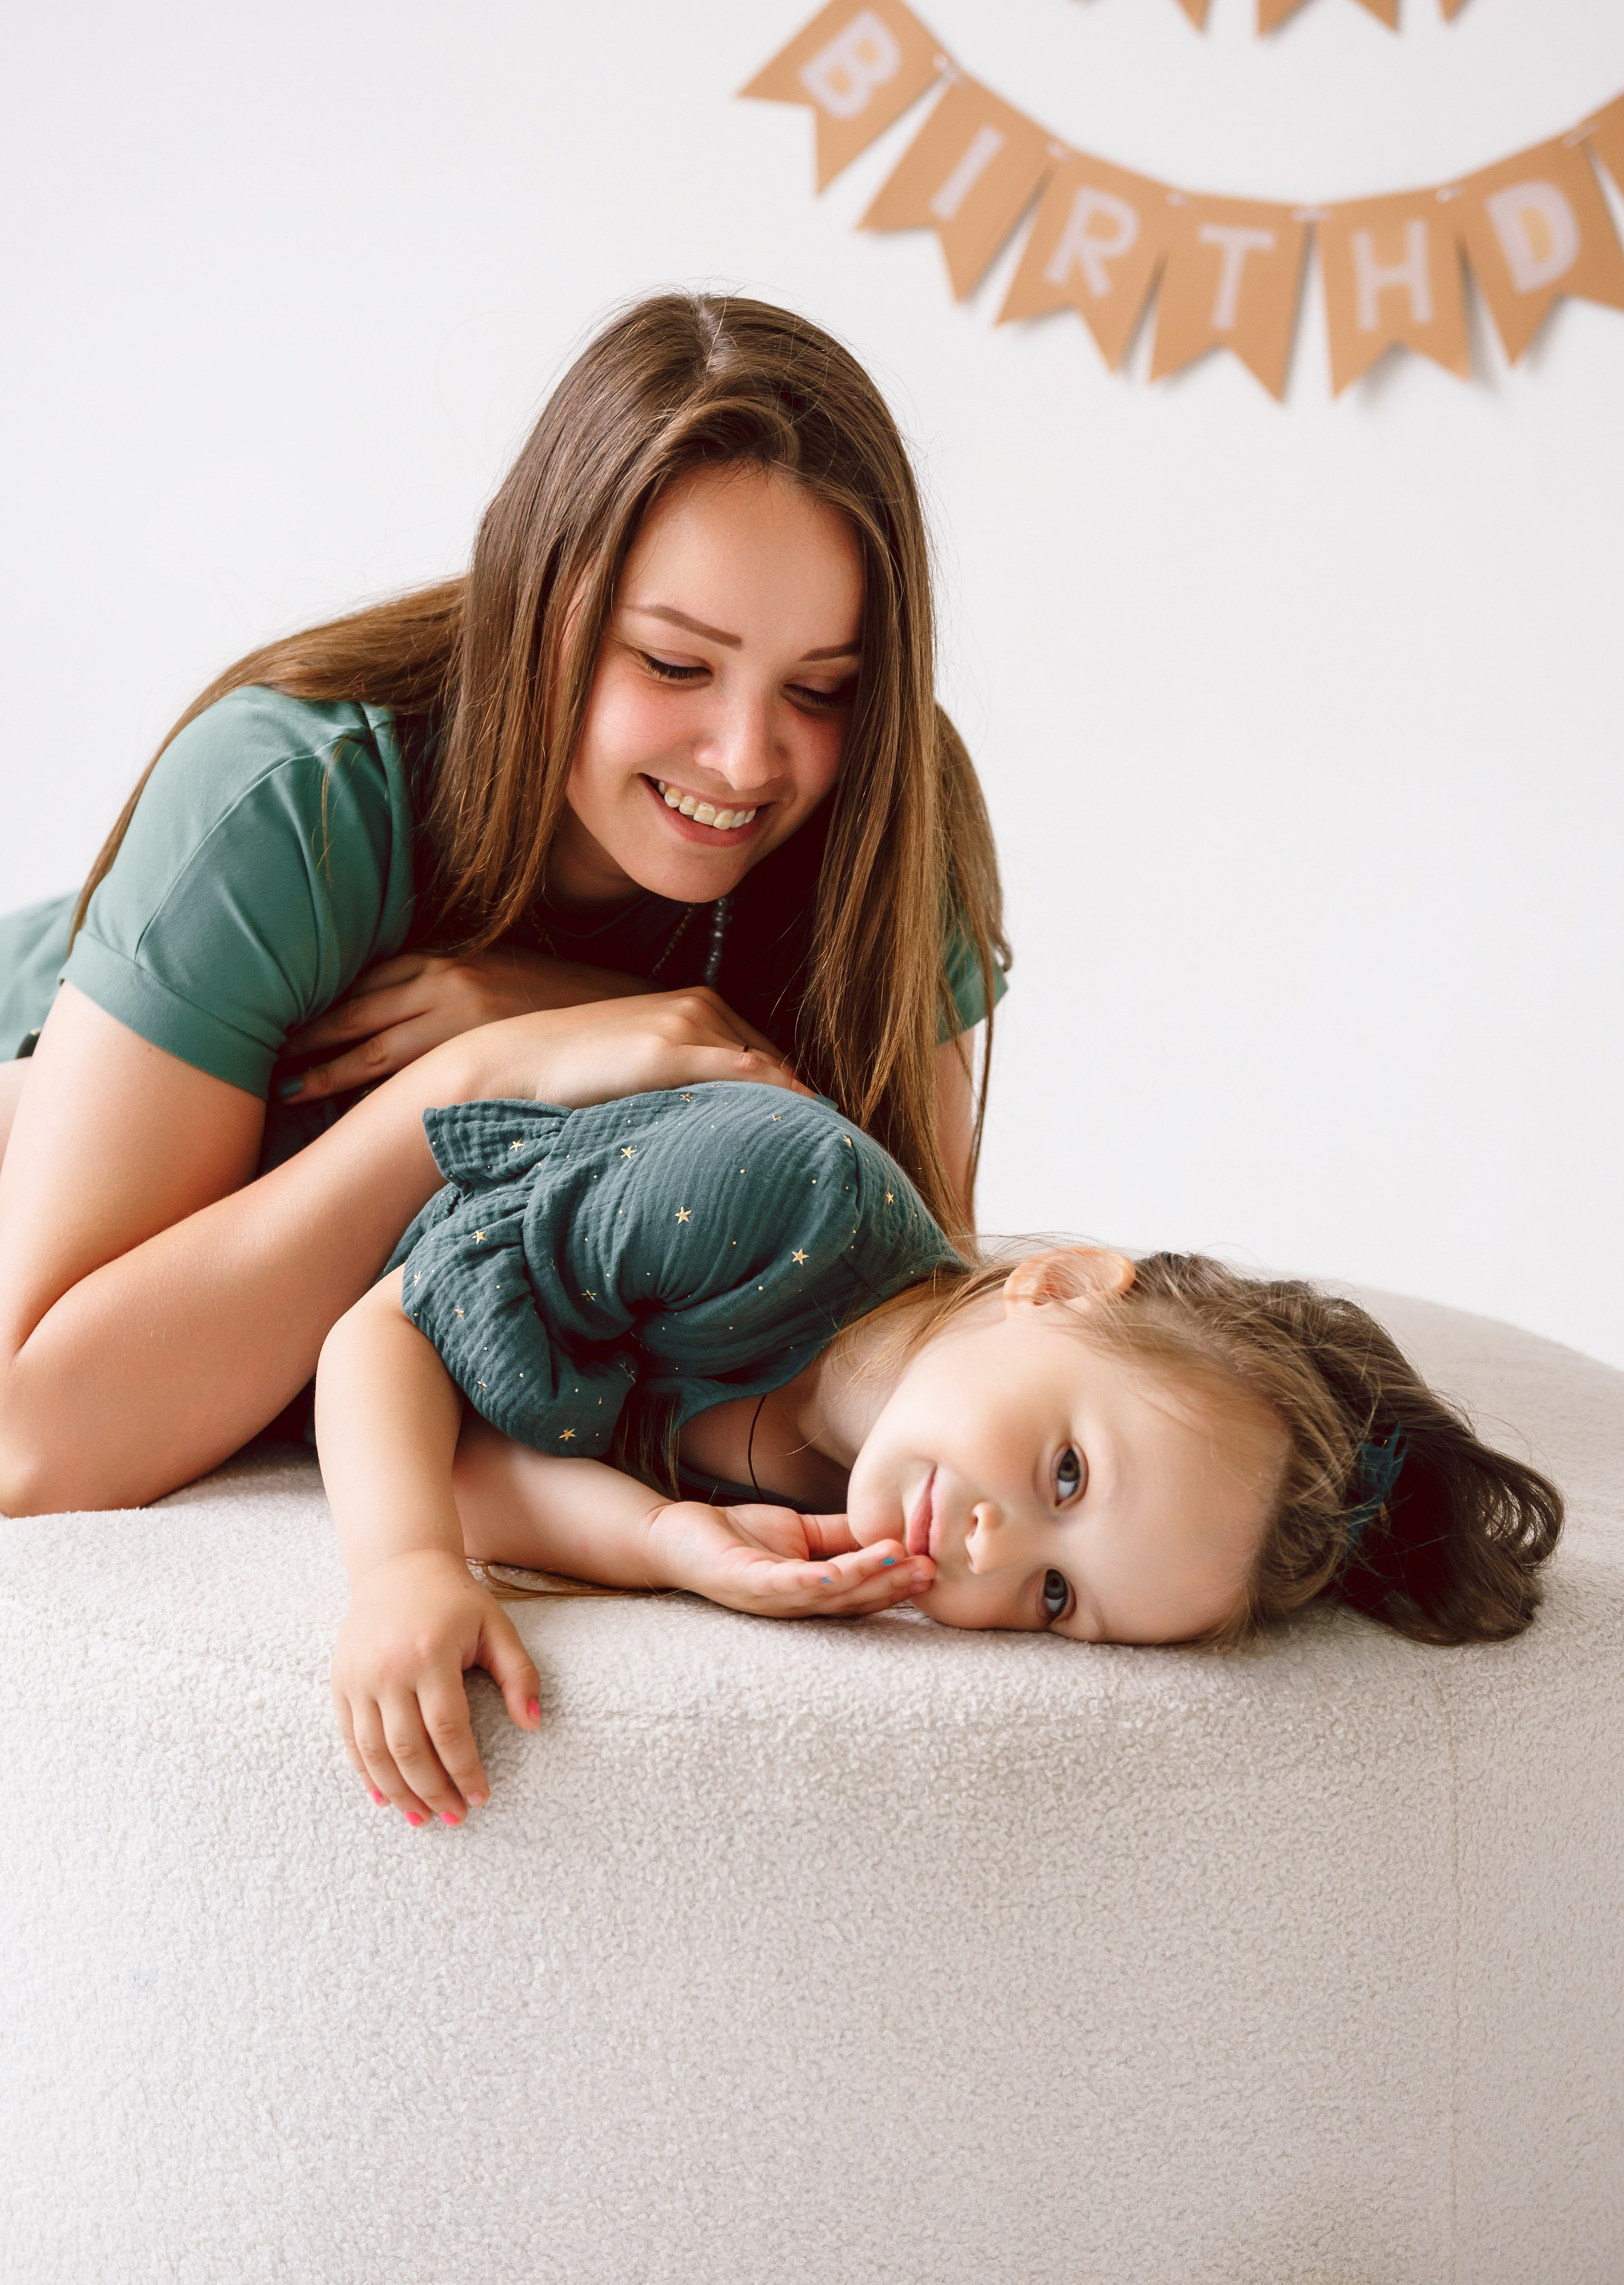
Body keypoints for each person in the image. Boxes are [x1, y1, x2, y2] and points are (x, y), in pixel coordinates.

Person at [0, 294, 1006, 1517]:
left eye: (822, 688)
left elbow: (894, 1281)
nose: (747, 759)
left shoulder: (894, 813)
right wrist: (472, 1081)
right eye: (674, 665)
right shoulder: (289, 797)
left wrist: (607, 1019)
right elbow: (38, 1446)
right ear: (539, 597)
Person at [312, 1065, 1564, 1828]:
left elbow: (469, 1463)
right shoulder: (779, 1198)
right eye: (1068, 1473)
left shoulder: (841, 1494)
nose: (994, 1546)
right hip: (290, 1158)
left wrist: (665, 1544)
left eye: (1057, 1597)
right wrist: (406, 1567)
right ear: (1062, 1287)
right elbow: (388, 1330)